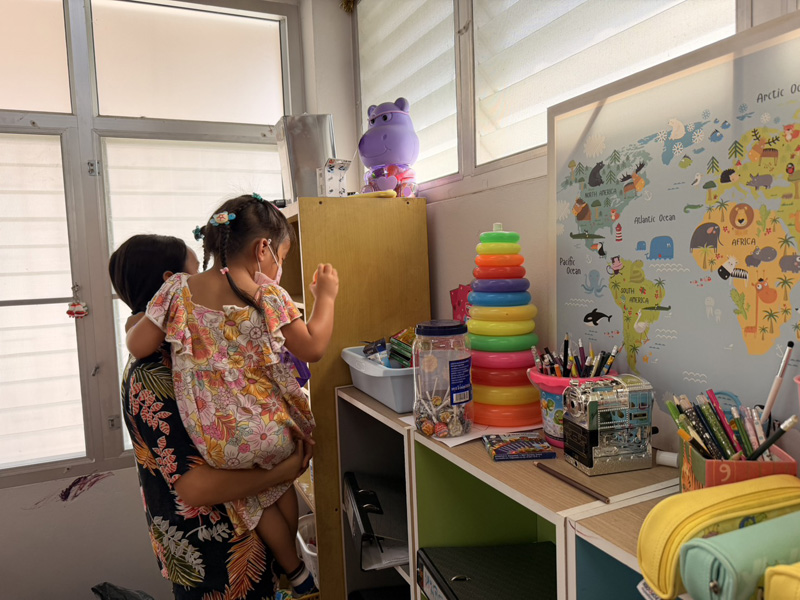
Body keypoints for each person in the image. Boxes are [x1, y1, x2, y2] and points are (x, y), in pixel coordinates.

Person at [126, 195, 339, 599]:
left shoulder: (176, 290)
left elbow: (139, 346)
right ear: (262, 249)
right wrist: (325, 296)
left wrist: (142, 321)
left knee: (252, 498)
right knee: (279, 486)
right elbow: (312, 347)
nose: (278, 267)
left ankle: (294, 571)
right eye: (281, 257)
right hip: (268, 429)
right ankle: (294, 568)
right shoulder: (268, 296)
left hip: (215, 435)